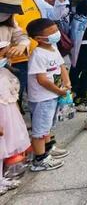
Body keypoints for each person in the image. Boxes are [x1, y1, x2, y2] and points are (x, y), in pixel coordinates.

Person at [26, 18, 70, 171]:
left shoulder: (53, 48)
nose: (56, 34)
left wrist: (67, 82)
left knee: (48, 125)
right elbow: (42, 80)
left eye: (56, 30)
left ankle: (48, 148)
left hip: (53, 94)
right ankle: (39, 159)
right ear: (38, 38)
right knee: (39, 129)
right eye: (51, 33)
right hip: (42, 97)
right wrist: (58, 90)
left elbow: (61, 66)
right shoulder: (38, 54)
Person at [0, 40, 30, 193]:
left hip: (9, 114)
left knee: (6, 146)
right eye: (3, 53)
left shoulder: (5, 71)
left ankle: (1, 179)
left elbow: (12, 94)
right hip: (1, 116)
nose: (5, 57)